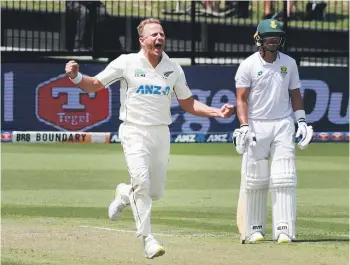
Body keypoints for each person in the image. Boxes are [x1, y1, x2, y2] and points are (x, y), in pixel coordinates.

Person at [65, 18, 234, 258]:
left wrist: (215, 111)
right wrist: (75, 77)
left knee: (154, 192)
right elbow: (94, 85)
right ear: (142, 40)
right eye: (153, 34)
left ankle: (124, 193)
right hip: (134, 130)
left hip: (160, 133)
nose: (159, 38)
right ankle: (148, 239)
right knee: (142, 183)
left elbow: (187, 102)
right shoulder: (127, 63)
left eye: (162, 34)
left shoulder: (173, 68)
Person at [232, 19, 313, 244]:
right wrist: (244, 125)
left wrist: (302, 121)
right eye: (269, 37)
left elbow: (295, 93)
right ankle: (254, 229)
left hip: (283, 123)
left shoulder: (289, 63)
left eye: (277, 36)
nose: (274, 40)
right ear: (259, 38)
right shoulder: (248, 65)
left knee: (284, 177)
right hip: (257, 124)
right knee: (256, 178)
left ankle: (284, 229)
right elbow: (241, 99)